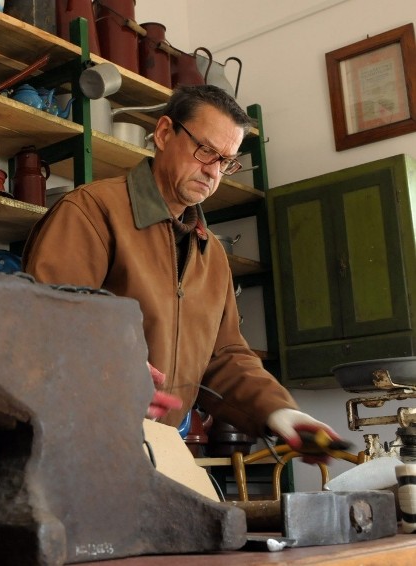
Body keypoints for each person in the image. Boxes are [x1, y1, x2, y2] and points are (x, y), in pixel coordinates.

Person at [22, 84, 341, 461]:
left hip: (155, 449)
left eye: (226, 161)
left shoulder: (212, 254)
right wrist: (114, 366)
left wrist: (280, 412)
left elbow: (224, 355)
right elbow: (47, 318)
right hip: (73, 442)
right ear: (162, 133)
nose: (213, 171)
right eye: (205, 150)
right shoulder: (92, 212)